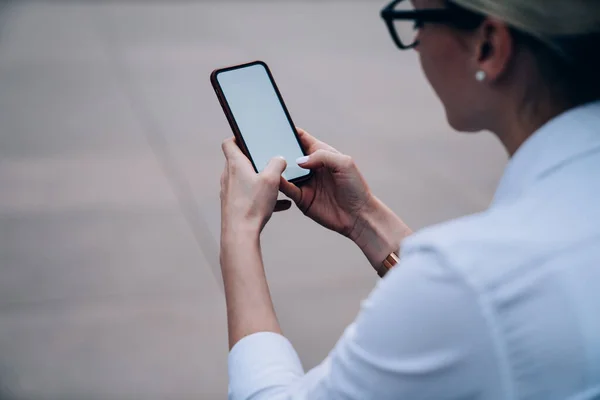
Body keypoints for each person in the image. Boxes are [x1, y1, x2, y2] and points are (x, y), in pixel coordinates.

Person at [218, 0, 600, 398]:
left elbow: (468, 295)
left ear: (489, 45)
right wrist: (364, 218)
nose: (415, 44)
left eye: (417, 21)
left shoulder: (468, 278)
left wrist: (239, 233)